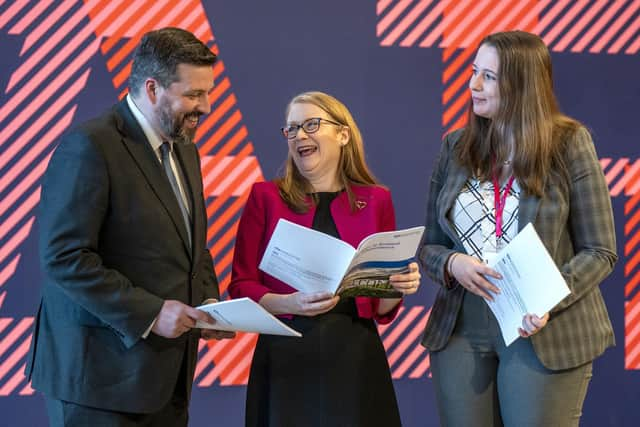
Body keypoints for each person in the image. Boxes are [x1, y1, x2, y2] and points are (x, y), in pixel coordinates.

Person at [25, 27, 235, 426]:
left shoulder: (185, 150)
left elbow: (193, 246)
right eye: (194, 94)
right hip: (98, 386)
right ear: (152, 89)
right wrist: (152, 313)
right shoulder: (89, 145)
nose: (206, 107)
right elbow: (64, 257)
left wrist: (208, 304)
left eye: (208, 93)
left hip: (165, 382)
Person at [419, 30, 617, 426]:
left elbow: (600, 251)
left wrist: (543, 299)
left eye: (488, 77)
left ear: (523, 83)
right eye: (474, 71)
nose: (473, 84)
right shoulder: (455, 147)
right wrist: (453, 263)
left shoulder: (569, 143)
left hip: (542, 326)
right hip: (462, 325)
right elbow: (429, 248)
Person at [229, 91, 421, 426]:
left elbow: (381, 308)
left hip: (354, 354)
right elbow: (241, 285)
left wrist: (398, 285)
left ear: (343, 134)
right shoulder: (265, 197)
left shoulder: (377, 200)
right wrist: (289, 303)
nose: (300, 135)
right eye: (292, 129)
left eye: (311, 125)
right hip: (286, 354)